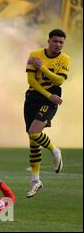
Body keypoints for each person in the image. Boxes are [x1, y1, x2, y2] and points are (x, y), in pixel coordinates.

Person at [24, 29, 70, 198]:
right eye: (55, 41)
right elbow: (31, 81)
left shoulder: (65, 59)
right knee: (33, 139)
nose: (58, 45)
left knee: (34, 132)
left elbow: (59, 80)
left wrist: (42, 67)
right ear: (48, 41)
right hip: (34, 97)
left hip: (52, 98)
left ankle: (55, 150)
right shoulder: (34, 54)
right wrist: (47, 94)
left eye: (61, 42)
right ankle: (35, 180)